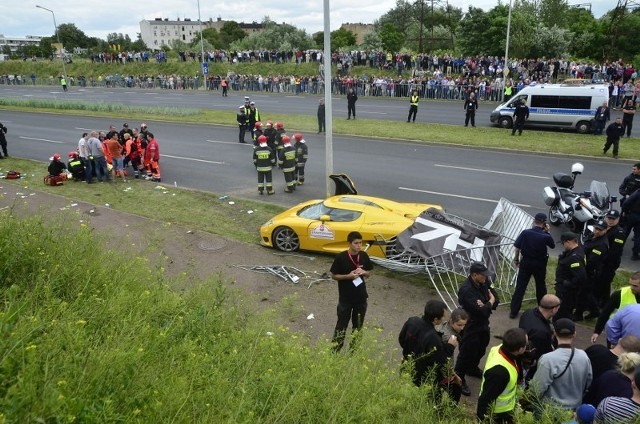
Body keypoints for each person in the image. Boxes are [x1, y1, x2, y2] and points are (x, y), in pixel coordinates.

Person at [398, 299, 462, 402]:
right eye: (443, 317)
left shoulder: (412, 321)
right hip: (424, 375)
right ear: (436, 319)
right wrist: (450, 346)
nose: (445, 320)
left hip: (406, 365)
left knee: (406, 392)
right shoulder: (433, 338)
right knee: (433, 398)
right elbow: (441, 361)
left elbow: (401, 340)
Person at [454, 262, 498, 397]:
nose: (486, 277)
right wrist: (488, 302)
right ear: (474, 275)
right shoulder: (466, 290)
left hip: (483, 324)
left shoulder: (484, 282)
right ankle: (459, 378)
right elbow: (482, 310)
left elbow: (496, 300)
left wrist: (486, 304)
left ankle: (472, 368)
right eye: (483, 275)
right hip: (470, 325)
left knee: (481, 348)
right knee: (466, 352)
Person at [530, 318, 593, 411]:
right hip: (574, 409)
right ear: (574, 334)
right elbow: (588, 382)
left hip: (550, 411)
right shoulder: (583, 356)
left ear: (554, 333)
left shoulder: (547, 359)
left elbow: (536, 389)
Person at [330, 231, 373, 352]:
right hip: (345, 299)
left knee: (358, 326)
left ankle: (354, 351)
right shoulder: (341, 257)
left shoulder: (364, 255)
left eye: (360, 243)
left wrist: (364, 273)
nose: (359, 246)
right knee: (341, 326)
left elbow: (369, 273)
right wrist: (348, 276)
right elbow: (334, 276)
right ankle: (335, 350)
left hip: (361, 298)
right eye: (356, 243)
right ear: (349, 243)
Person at [476, 328, 528, 423]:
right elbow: (485, 399)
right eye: (526, 345)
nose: (527, 346)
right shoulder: (499, 373)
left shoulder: (499, 348)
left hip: (506, 409)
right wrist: (483, 420)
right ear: (520, 349)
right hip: (498, 413)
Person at [510, 212, 556, 318]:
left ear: (534, 221)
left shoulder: (525, 233)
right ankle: (543, 310)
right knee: (540, 286)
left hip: (526, 262)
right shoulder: (545, 236)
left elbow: (517, 248)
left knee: (520, 287)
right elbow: (553, 246)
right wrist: (548, 232)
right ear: (544, 223)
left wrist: (516, 260)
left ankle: (513, 312)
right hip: (539, 263)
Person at [518, 294, 561, 379]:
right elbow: (541, 356)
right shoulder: (541, 332)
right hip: (532, 364)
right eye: (558, 309)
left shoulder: (528, 313)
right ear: (553, 310)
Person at [574, 221, 609, 321]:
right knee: (587, 293)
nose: (596, 231)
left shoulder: (601, 244)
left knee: (583, 293)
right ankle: (595, 311)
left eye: (600, 230)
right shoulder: (593, 236)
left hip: (590, 271)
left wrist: (582, 269)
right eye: (596, 228)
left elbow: (592, 261)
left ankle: (578, 314)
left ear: (605, 231)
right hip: (586, 269)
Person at [593, 273, 640, 344]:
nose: (631, 287)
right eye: (630, 284)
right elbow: (605, 313)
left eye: (635, 286)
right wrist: (597, 331)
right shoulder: (620, 294)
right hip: (618, 336)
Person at [554, 232, 587, 322]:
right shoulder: (575, 251)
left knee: (561, 314)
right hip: (566, 290)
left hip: (566, 292)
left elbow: (581, 276)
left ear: (569, 242)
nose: (563, 245)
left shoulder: (574, 257)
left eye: (563, 243)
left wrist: (568, 284)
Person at [597, 210, 628, 308]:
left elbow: (614, 252)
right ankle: (602, 303)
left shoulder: (619, 232)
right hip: (602, 262)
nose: (610, 221)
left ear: (618, 219)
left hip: (609, 263)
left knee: (604, 283)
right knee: (601, 283)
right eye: (609, 218)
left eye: (613, 219)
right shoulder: (606, 228)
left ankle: (603, 304)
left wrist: (602, 260)